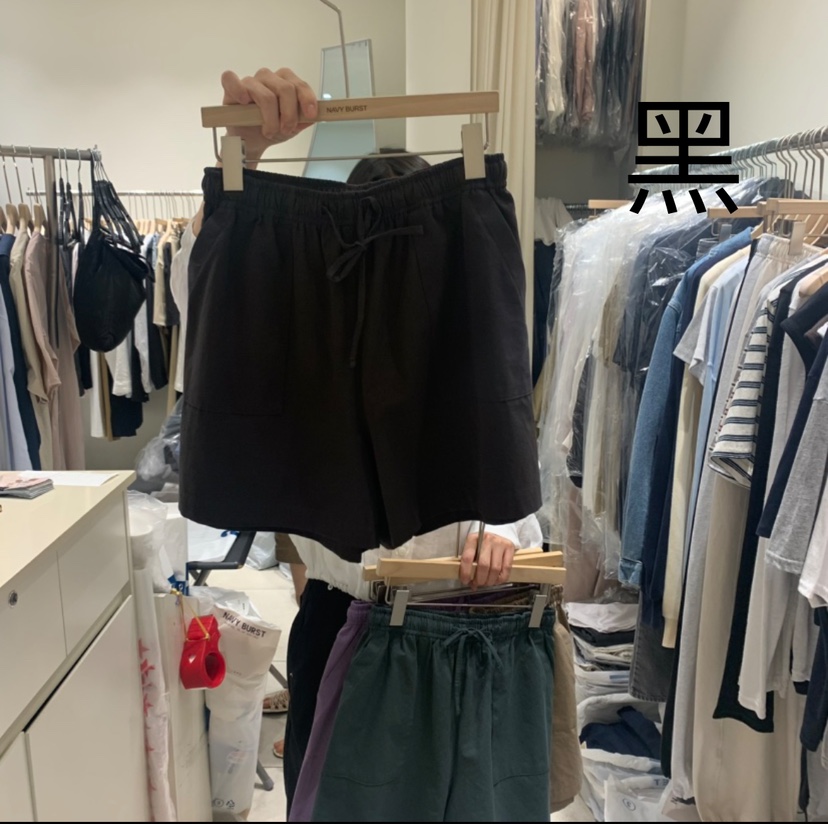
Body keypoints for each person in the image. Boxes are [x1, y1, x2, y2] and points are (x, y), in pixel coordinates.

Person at [197, 67, 534, 812]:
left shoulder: (464, 328)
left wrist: (505, 527)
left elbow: (508, 439)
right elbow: (223, 324)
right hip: (340, 615)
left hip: (456, 619)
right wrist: (243, 157)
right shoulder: (308, 340)